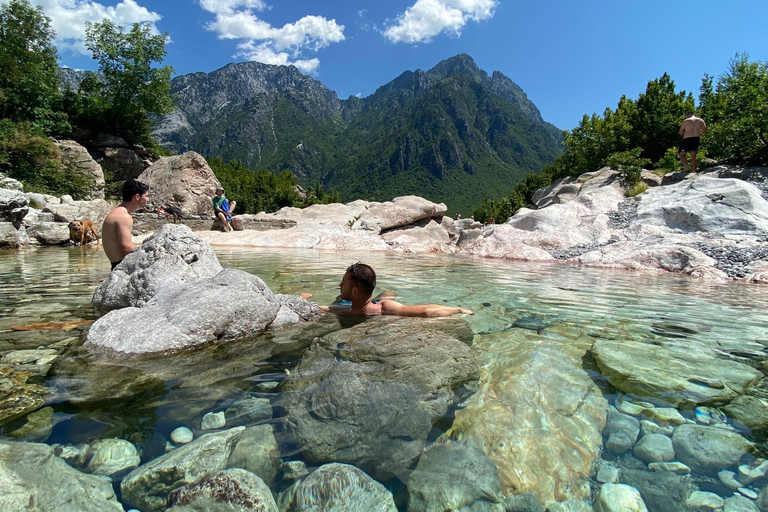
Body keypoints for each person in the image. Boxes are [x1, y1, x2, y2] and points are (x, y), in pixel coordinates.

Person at [320, 262, 473, 317]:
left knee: (387, 296)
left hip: (374, 302)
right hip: (368, 300)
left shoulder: (383, 307)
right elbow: (319, 308)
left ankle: (386, 293)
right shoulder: (342, 309)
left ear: (354, 292)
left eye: (343, 283)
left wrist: (458, 310)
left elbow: (426, 311)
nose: (339, 285)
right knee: (387, 294)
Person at [102, 179, 149, 270]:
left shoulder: (117, 212)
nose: (148, 199)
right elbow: (126, 247)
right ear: (137, 197)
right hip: (121, 266)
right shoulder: (124, 217)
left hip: (115, 264)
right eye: (146, 196)